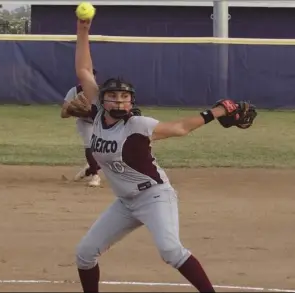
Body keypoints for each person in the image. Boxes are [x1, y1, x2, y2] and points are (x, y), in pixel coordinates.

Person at [69, 16, 257, 293]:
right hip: (125, 202)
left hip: (154, 196)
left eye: (125, 97)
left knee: (170, 250)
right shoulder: (96, 114)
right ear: (103, 99)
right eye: (113, 97)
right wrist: (83, 30)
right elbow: (84, 69)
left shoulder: (138, 125)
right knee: (85, 254)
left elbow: (180, 128)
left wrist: (216, 112)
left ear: (132, 101)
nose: (119, 101)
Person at [60, 70, 101, 187]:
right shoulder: (74, 92)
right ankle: (95, 175)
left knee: (110, 151)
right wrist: (72, 111)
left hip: (100, 122)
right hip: (85, 122)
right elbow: (63, 114)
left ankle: (89, 169)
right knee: (90, 144)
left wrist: (92, 111)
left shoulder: (101, 92)